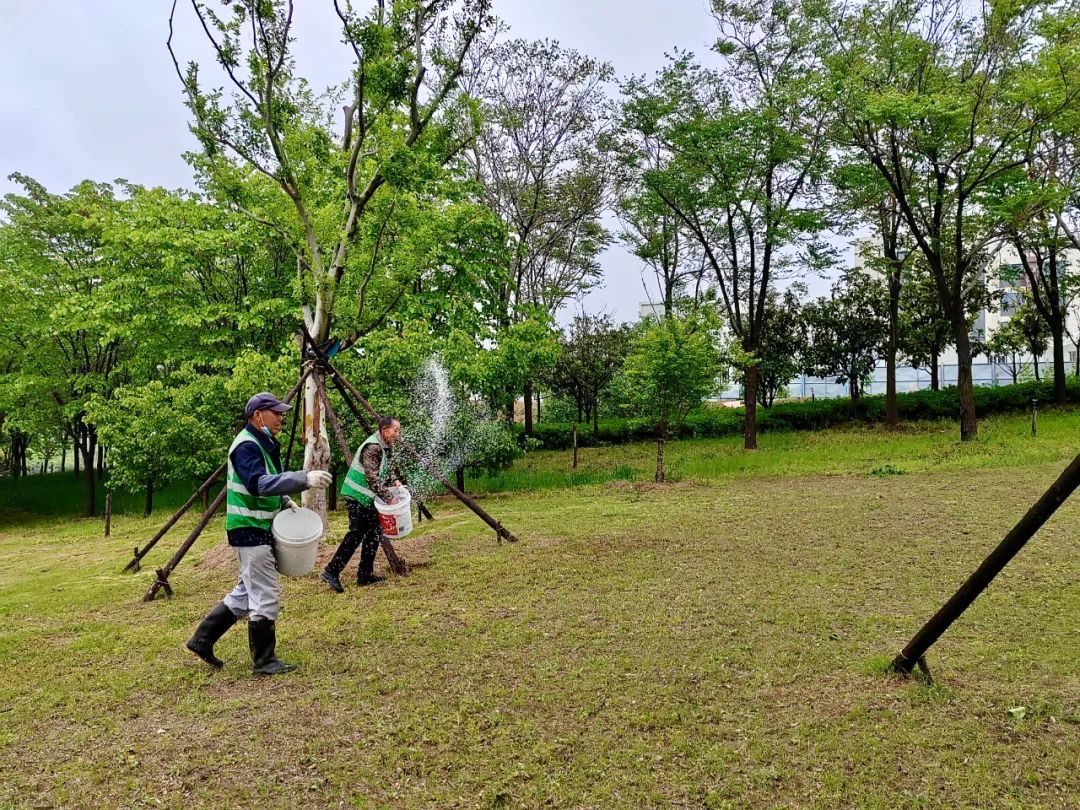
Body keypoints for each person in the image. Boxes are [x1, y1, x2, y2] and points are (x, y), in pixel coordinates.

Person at [186, 391, 332, 675]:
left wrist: (283, 501)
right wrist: (303, 479)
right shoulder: (246, 446)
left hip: (255, 527)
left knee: (245, 594)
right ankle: (264, 661)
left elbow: (267, 485)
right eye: (275, 413)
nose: (280, 418)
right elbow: (257, 483)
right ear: (257, 415)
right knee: (265, 594)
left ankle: (202, 640)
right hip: (250, 529)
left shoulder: (262, 443)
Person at [320, 415, 403, 592]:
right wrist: (390, 498)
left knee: (373, 533)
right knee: (356, 534)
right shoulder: (373, 447)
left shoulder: (386, 446)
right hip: (357, 496)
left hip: (368, 498)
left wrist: (395, 481)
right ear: (384, 430)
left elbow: (386, 469)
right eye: (396, 430)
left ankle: (365, 575)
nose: (398, 434)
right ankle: (331, 571)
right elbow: (372, 477)